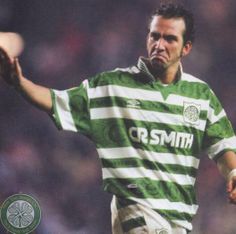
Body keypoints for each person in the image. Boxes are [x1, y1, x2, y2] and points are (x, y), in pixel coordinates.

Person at [1, 3, 236, 234]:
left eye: (170, 39)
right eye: (155, 36)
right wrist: (22, 84)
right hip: (135, 217)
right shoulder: (115, 86)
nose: (159, 45)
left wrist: (232, 173)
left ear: (186, 47)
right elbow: (58, 101)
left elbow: (223, 146)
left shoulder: (200, 95)